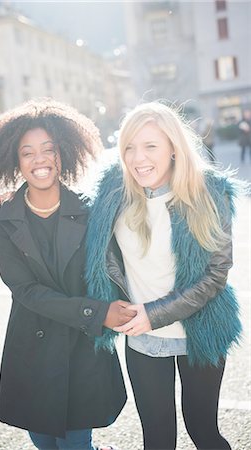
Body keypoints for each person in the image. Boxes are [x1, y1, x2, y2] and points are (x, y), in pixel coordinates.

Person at [0, 98, 135, 450]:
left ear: (63, 154)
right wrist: (97, 312)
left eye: (48, 150)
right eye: (27, 152)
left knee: (75, 444)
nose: (40, 160)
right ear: (15, 161)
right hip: (31, 351)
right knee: (44, 442)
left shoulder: (93, 211)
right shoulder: (0, 217)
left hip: (81, 348)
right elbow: (24, 289)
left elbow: (117, 270)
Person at [85, 101, 244, 450]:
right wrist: (17, 198)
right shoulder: (114, 191)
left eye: (150, 146)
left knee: (204, 432)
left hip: (200, 331)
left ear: (174, 148)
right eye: (129, 147)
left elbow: (215, 275)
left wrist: (153, 314)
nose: (138, 158)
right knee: (157, 441)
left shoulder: (210, 192)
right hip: (142, 338)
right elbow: (70, 210)